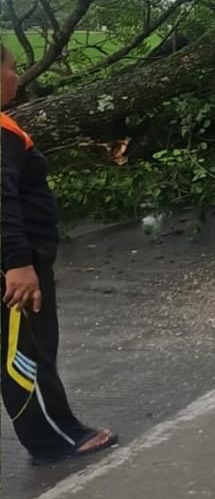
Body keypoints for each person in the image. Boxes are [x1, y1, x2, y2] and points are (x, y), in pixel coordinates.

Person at [1, 44, 117, 464]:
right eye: (13, 68)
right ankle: (52, 438)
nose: (19, 76)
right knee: (26, 352)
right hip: (13, 268)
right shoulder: (2, 131)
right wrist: (17, 263)